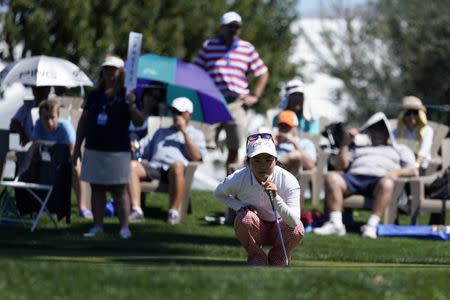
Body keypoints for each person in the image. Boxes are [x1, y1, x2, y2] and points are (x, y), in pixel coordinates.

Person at [313, 112, 418, 239]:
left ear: (387, 133)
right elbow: (340, 167)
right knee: (331, 177)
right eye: (373, 131)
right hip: (354, 179)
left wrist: (395, 173)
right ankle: (336, 224)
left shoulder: (399, 149)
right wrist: (346, 143)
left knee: (387, 183)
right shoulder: (358, 148)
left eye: (380, 130)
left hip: (379, 181)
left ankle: (371, 226)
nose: (376, 134)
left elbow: (413, 170)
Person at [73, 55, 144, 239]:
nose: (109, 72)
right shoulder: (95, 95)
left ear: (121, 73)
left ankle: (124, 228)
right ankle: (97, 226)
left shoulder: (127, 95)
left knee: (119, 190)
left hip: (118, 150)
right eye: (106, 68)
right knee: (96, 189)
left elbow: (138, 121)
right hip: (94, 147)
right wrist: (76, 148)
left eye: (113, 69)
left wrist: (131, 103)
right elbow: (84, 121)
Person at [194, 11, 269, 174]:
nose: (234, 30)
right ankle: (189, 181)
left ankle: (230, 185)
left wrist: (255, 96)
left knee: (234, 146)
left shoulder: (246, 48)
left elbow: (262, 72)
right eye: (230, 27)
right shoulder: (209, 46)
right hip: (213, 100)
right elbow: (196, 70)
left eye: (237, 27)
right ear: (222, 28)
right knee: (202, 142)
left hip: (236, 102)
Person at [214, 133, 304, 266]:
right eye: (257, 160)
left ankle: (278, 256)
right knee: (244, 218)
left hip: (279, 227)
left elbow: (295, 221)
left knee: (297, 230)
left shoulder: (288, 180)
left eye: (268, 160)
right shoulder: (239, 177)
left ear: (276, 159)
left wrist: (276, 197)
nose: (263, 165)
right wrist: (239, 206)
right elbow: (218, 193)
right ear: (248, 161)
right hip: (256, 226)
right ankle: (256, 257)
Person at [128, 97, 206, 224]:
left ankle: (173, 212)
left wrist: (184, 133)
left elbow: (197, 157)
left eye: (179, 112)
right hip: (154, 168)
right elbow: (141, 148)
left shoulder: (195, 134)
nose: (176, 115)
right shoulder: (161, 131)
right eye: (174, 111)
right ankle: (136, 210)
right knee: (132, 166)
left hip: (176, 171)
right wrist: (134, 146)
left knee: (177, 165)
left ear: (189, 115)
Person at [30, 99, 92, 218]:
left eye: (52, 117)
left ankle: (82, 207)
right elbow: (34, 147)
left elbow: (73, 151)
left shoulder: (65, 127)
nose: (49, 122)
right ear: (40, 118)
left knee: (75, 166)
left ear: (58, 116)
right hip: (46, 160)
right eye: (45, 118)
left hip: (65, 160)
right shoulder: (38, 125)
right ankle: (35, 206)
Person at [393, 96, 434, 173]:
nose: (412, 116)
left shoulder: (427, 130)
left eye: (415, 112)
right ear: (403, 115)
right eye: (408, 113)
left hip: (421, 167)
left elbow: (423, 152)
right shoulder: (396, 132)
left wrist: (415, 166)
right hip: (401, 166)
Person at [275, 110, 317, 177]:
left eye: (287, 126)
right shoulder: (274, 143)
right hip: (273, 177)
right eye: (281, 125)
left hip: (296, 178)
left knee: (296, 155)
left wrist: (293, 142)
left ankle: (275, 164)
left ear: (295, 127)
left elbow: (310, 165)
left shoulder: (305, 143)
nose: (283, 129)